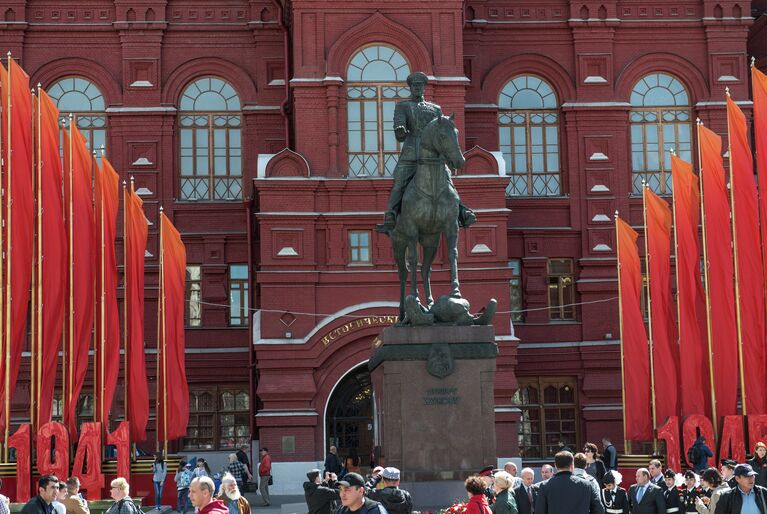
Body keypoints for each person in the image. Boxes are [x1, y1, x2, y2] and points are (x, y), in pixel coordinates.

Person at [375, 71, 475, 234]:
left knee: (447, 179)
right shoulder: (403, 106)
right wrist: (400, 130)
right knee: (400, 181)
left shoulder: (435, 109)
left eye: (420, 85)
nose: (417, 88)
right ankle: (391, 215)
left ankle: (462, 212)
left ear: (424, 88)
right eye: (414, 85)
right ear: (411, 88)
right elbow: (399, 127)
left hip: (433, 155)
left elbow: (441, 130)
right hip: (411, 153)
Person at [535, 451, 604, 514]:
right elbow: (599, 510)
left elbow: (539, 511)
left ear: (555, 466)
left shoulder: (545, 486)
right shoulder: (586, 485)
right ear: (572, 465)